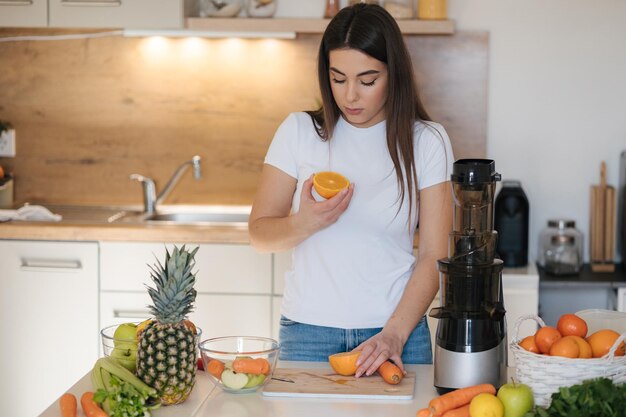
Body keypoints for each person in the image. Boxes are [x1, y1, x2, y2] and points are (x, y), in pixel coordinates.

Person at [248, 3, 453, 379]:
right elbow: (260, 235)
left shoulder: (427, 141)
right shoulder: (299, 132)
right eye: (338, 78)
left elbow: (436, 256)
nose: (350, 96)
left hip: (397, 334)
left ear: (395, 74)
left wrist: (393, 334)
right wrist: (304, 222)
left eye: (368, 80)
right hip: (307, 335)